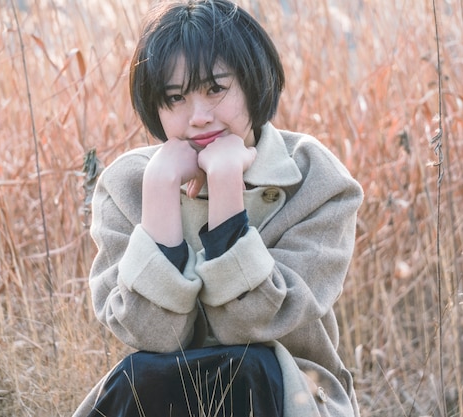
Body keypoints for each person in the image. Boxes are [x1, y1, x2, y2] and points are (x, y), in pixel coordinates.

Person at [72, 0, 363, 416]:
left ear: (252, 82)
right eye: (175, 98)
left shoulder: (314, 178)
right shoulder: (127, 185)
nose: (199, 117)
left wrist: (226, 190)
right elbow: (155, 337)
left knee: (249, 367)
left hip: (287, 387)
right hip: (166, 390)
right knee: (139, 374)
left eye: (215, 88)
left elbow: (247, 328)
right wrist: (158, 193)